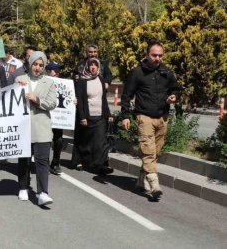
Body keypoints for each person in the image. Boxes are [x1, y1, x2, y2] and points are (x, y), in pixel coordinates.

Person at [120, 42, 180, 201]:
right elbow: (126, 95)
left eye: (160, 55)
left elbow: (175, 88)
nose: (157, 58)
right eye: (154, 55)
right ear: (147, 54)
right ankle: (154, 184)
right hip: (144, 116)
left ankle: (141, 179)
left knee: (154, 152)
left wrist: (173, 96)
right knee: (148, 150)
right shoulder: (137, 73)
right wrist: (125, 116)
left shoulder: (167, 72)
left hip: (162, 117)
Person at [15, 51, 58, 206]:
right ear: (30, 64)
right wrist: (16, 89)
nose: (37, 68)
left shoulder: (49, 82)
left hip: (42, 127)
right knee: (24, 159)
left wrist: (37, 100)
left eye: (41, 65)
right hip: (24, 127)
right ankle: (23, 187)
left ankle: (43, 193)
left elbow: (53, 103)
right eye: (35, 64)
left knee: (42, 161)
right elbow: (10, 100)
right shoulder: (20, 79)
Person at [72, 58, 114, 175]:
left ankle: (102, 165)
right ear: (87, 67)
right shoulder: (82, 81)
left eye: (96, 65)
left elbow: (103, 99)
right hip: (87, 116)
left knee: (101, 141)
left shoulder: (101, 79)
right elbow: (80, 100)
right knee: (84, 141)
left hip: (100, 116)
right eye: (91, 65)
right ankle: (79, 161)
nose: (93, 67)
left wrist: (108, 114)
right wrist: (82, 117)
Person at [45, 62, 64, 175]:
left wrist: (73, 100)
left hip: (58, 117)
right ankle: (43, 163)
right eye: (54, 70)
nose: (57, 72)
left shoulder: (62, 83)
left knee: (59, 140)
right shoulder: (42, 82)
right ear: (48, 72)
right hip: (45, 115)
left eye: (58, 70)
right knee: (45, 140)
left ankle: (56, 163)